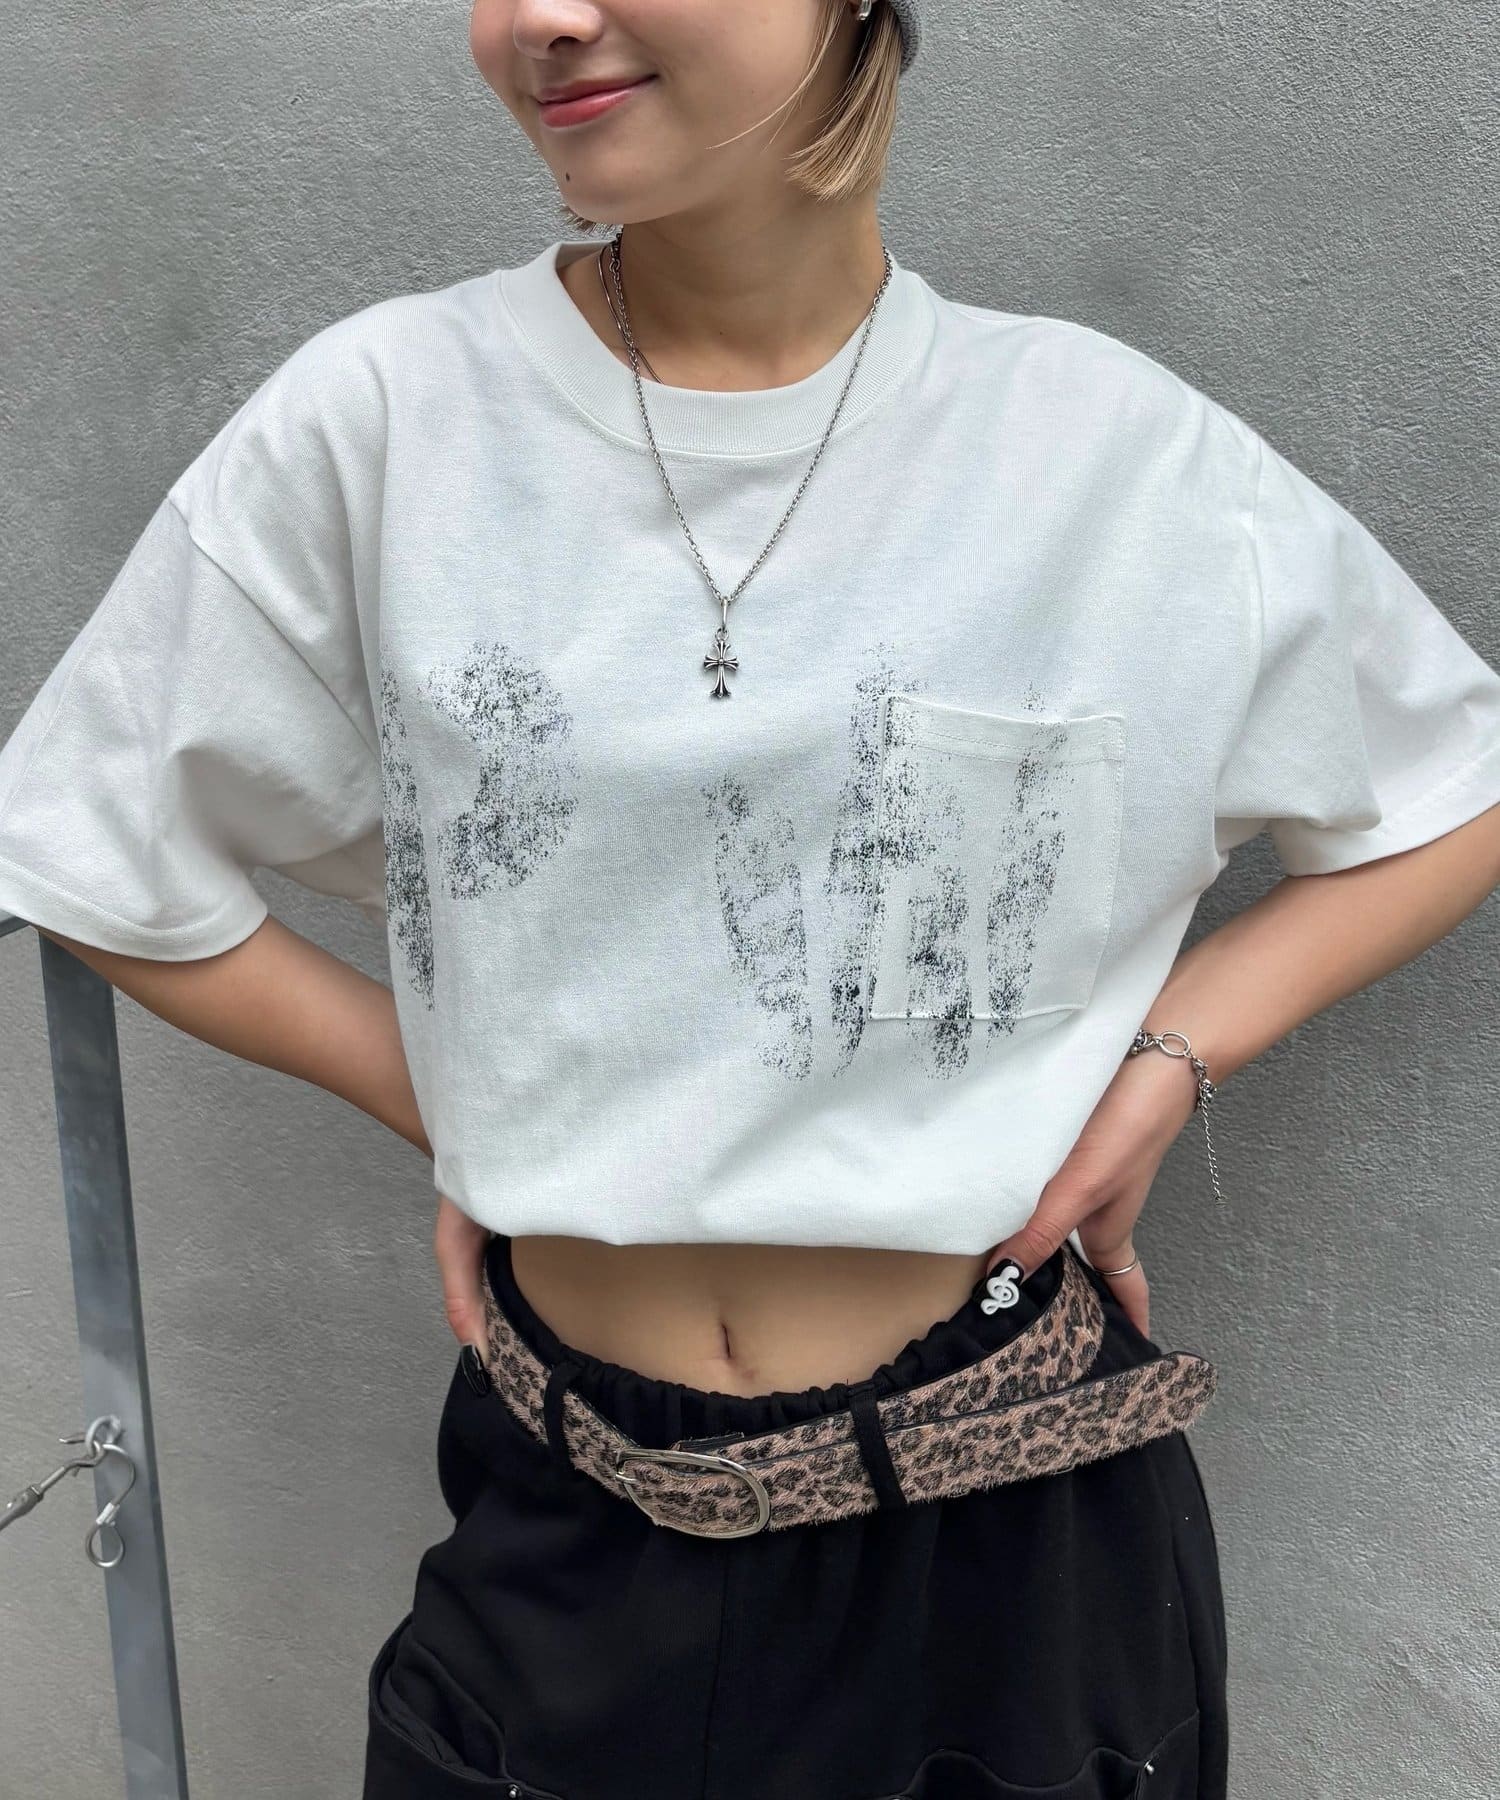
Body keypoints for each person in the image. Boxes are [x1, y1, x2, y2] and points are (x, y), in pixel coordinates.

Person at [3, 3, 1499, 1795]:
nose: (542, 19)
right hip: (574, 1520)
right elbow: (95, 844)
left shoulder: (1110, 452)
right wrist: (479, 1105)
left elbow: (1453, 790)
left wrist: (1173, 1058)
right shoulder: (390, 420)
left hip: (1010, 1533)